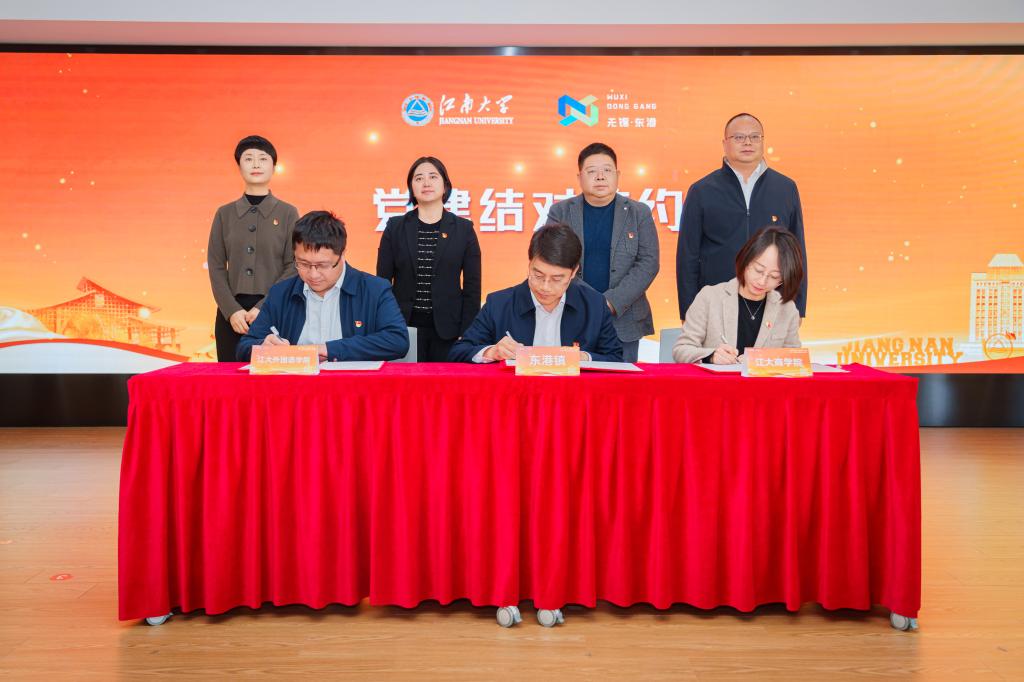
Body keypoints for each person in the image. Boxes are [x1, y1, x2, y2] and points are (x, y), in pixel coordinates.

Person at [676, 113, 807, 323]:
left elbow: (796, 252)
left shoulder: (785, 188)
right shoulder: (701, 190)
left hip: (773, 306)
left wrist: (797, 307)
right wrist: (688, 311)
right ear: (724, 144)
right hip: (716, 306)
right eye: (739, 137)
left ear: (763, 141)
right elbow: (687, 256)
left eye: (755, 137)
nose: (748, 142)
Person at [237, 211, 409, 362]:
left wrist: (329, 349)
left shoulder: (374, 289)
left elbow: (397, 340)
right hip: (296, 386)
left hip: (353, 386)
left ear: (342, 255)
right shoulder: (281, 293)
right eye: (303, 264)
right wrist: (263, 346)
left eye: (322, 265)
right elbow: (244, 347)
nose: (313, 275)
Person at [547, 142, 659, 362]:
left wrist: (611, 302)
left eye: (607, 170)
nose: (600, 177)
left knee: (622, 381)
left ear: (618, 175)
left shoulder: (639, 213)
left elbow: (648, 263)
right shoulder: (560, 212)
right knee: (572, 379)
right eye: (592, 171)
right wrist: (592, 302)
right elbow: (553, 260)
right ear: (579, 177)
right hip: (573, 313)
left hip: (624, 318)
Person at [448, 223, 622, 363]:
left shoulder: (594, 305)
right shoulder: (499, 303)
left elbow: (615, 358)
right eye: (538, 275)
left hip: (573, 395)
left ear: (573, 272)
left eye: (556, 279)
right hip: (518, 394)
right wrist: (492, 351)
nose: (545, 287)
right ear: (529, 263)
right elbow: (458, 352)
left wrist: (584, 358)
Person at [376, 156, 481, 362]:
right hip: (403, 329)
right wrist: (386, 325)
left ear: (445, 185)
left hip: (449, 331)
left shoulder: (464, 229)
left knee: (445, 382)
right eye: (419, 178)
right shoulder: (395, 227)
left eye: (433, 177)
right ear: (411, 188)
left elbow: (472, 287)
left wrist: (467, 333)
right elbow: (383, 283)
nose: (426, 183)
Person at [208, 135, 299, 361]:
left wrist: (265, 307)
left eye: (263, 159)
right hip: (232, 316)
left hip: (275, 310)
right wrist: (231, 311)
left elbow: (293, 265)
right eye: (248, 159)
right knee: (230, 378)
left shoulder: (288, 213)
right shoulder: (224, 214)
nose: (256, 164)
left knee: (274, 377)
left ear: (274, 167)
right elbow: (216, 266)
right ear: (239, 166)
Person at [673, 226, 803, 364]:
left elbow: (795, 360)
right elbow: (681, 350)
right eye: (758, 270)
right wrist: (711, 356)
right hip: (718, 378)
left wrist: (761, 361)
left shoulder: (787, 309)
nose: (762, 281)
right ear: (746, 260)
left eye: (774, 276)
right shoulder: (710, 297)